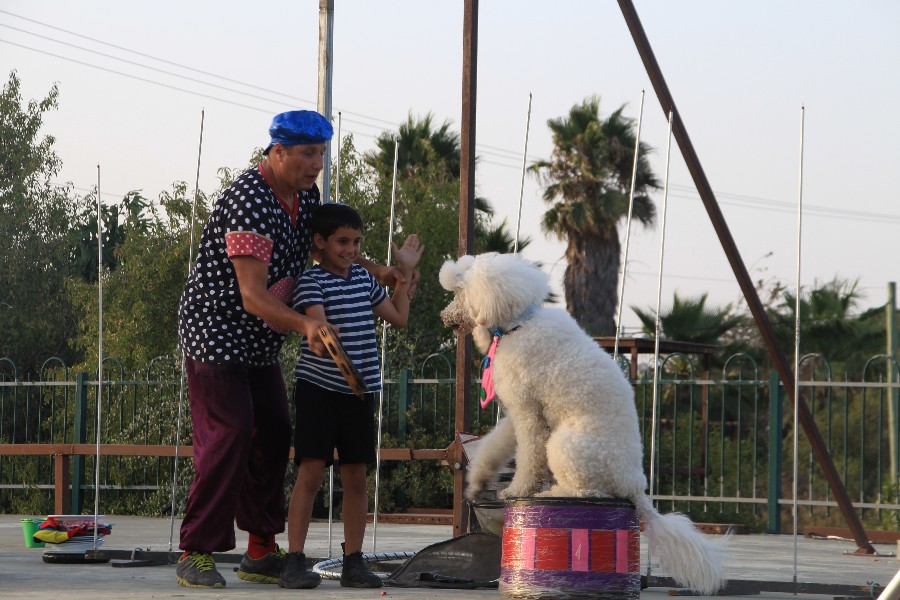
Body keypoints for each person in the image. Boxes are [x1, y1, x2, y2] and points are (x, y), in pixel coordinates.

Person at [175, 110, 411, 589]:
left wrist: (376, 269)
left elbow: (320, 247)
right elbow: (252, 295)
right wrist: (307, 323)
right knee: (231, 433)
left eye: (321, 153)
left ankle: (261, 548)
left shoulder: (306, 197)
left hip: (259, 341)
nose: (316, 163)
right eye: (307, 153)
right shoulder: (248, 201)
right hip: (215, 336)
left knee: (274, 431)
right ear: (277, 151)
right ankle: (196, 549)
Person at [278, 202, 423, 589]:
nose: (351, 250)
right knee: (310, 472)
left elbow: (398, 316)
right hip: (319, 391)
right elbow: (318, 328)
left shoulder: (363, 279)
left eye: (357, 242)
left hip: (361, 393)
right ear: (320, 242)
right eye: (343, 241)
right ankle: (294, 559)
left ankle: (353, 561)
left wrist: (405, 274)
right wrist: (325, 336)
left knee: (356, 476)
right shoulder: (312, 281)